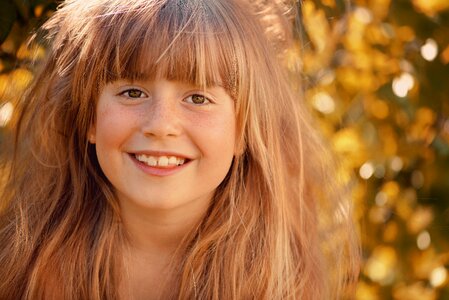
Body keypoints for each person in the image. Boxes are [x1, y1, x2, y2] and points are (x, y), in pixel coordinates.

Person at [0, 0, 360, 299]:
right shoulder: (22, 269)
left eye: (198, 97)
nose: (160, 125)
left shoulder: (278, 283)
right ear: (89, 117)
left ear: (243, 130)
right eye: (132, 92)